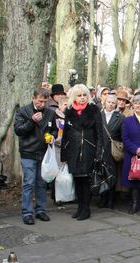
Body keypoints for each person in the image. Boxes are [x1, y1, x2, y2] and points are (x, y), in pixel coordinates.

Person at [14, 88, 58, 225]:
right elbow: (19, 130)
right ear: (33, 98)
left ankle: (40, 210)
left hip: (44, 152)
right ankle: (27, 212)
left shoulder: (50, 113)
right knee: (28, 183)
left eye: (45, 101)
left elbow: (55, 130)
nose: (42, 104)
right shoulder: (23, 111)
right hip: (28, 152)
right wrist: (31, 121)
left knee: (42, 182)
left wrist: (52, 136)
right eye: (40, 101)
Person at [60, 84, 103, 221]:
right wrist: (64, 154)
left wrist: (98, 152)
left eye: (85, 95)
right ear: (74, 97)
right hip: (73, 151)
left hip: (88, 150)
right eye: (79, 95)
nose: (83, 98)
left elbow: (99, 133)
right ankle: (80, 207)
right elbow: (65, 134)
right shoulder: (70, 111)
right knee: (77, 180)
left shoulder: (94, 110)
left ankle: (86, 208)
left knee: (85, 180)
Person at [99, 93, 123, 209]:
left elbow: (122, 135)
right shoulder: (99, 115)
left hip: (113, 150)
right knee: (101, 174)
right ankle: (102, 198)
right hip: (101, 148)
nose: (110, 105)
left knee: (112, 175)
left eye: (113, 103)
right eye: (109, 102)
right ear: (105, 102)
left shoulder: (120, 117)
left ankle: (111, 200)